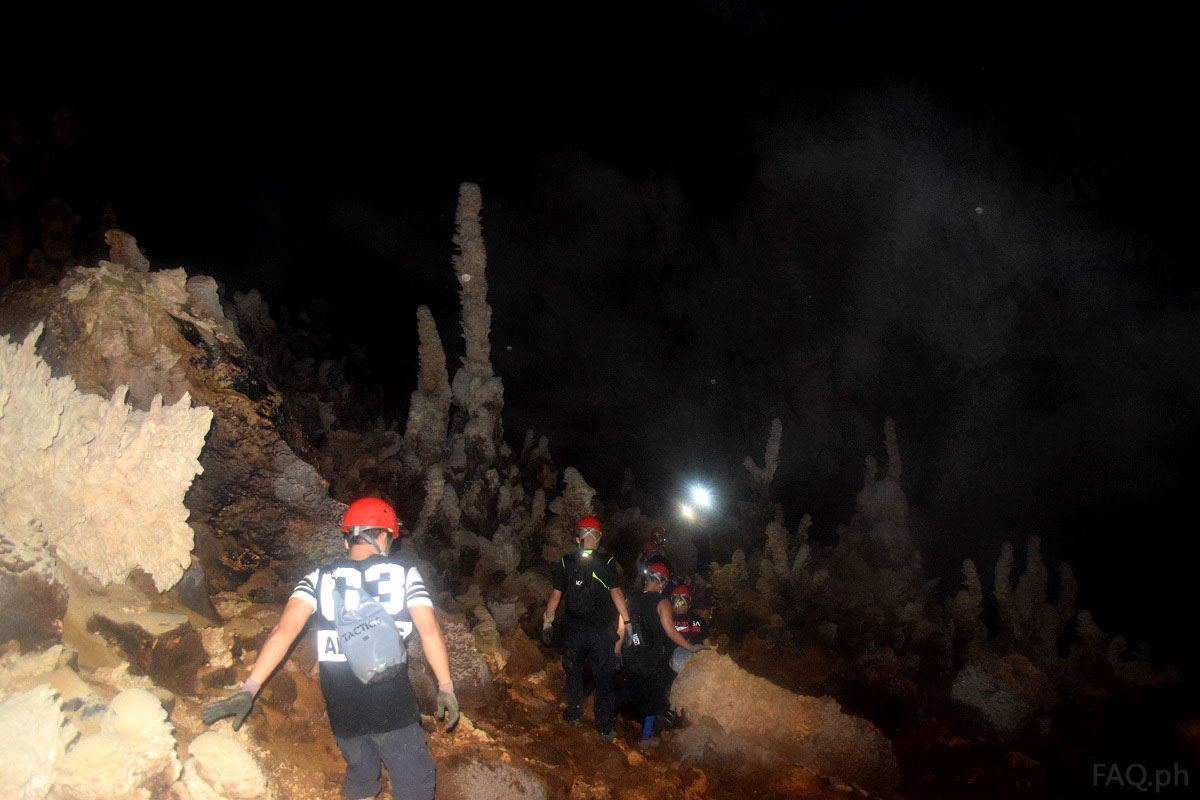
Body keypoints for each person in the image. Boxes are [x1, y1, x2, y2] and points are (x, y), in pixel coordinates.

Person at [202, 497, 458, 800]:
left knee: (361, 778)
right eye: (389, 537)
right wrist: (445, 686)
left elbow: (283, 632)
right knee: (416, 784)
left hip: (342, 709)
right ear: (381, 535)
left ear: (347, 536)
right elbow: (429, 631)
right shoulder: (404, 576)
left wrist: (249, 688)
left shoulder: (318, 579)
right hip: (391, 706)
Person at [542, 515, 632, 740]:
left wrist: (547, 622)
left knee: (573, 672)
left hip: (574, 630)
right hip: (601, 630)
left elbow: (555, 596)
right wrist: (628, 622)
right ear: (599, 537)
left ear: (577, 537)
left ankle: (574, 715)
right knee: (603, 677)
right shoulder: (608, 562)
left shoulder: (566, 561)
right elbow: (617, 594)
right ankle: (603, 727)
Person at [620, 563, 706, 751]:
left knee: (633, 691)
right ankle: (645, 737)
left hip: (631, 655)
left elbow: (621, 628)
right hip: (651, 658)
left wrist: (616, 651)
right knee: (652, 698)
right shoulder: (662, 602)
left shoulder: (630, 599)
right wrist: (691, 647)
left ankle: (617, 728)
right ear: (664, 582)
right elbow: (671, 631)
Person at [667, 584, 714, 673]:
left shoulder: (667, 621)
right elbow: (708, 646)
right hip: (696, 667)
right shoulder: (699, 620)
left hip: (674, 669)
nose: (680, 602)